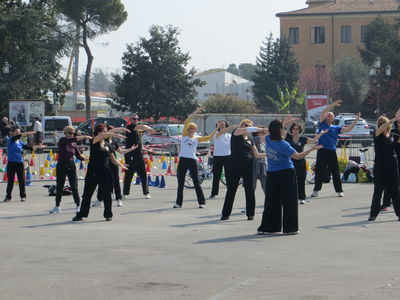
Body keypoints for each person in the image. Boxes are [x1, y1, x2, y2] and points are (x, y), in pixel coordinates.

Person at [257, 118, 322, 235]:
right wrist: (312, 149)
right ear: (279, 130)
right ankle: (290, 228)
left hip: (272, 174)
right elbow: (297, 156)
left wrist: (283, 123)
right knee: (289, 201)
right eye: (283, 128)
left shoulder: (267, 139)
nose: (285, 130)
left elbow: (271, 130)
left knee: (271, 201)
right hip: (286, 173)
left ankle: (269, 228)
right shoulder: (284, 144)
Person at [72, 124, 128, 222]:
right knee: (87, 195)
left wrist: (120, 164)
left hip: (105, 172)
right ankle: (81, 214)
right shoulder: (94, 140)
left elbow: (112, 158)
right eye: (105, 131)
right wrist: (116, 131)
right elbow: (101, 136)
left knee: (107, 194)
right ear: (98, 132)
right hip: (93, 172)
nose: (107, 133)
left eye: (107, 131)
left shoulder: (107, 145)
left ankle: (108, 214)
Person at [311, 100, 360, 198]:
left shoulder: (336, 127)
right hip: (321, 150)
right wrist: (333, 105)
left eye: (331, 115)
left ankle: (339, 191)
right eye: (328, 115)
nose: (329, 116)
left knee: (335, 172)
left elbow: (348, 129)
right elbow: (324, 111)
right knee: (319, 171)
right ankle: (316, 190)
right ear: (325, 117)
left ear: (333, 118)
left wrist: (356, 120)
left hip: (332, 151)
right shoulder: (322, 124)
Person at [220, 119, 268, 221]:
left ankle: (250, 214)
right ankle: (225, 214)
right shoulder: (236, 132)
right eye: (244, 125)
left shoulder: (250, 139)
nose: (246, 127)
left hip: (248, 165)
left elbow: (257, 154)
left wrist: (270, 154)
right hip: (235, 165)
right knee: (231, 190)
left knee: (249, 190)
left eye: (248, 125)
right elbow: (248, 129)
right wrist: (263, 129)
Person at [174, 114, 218, 208]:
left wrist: (217, 128)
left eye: (193, 129)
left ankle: (201, 202)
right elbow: (186, 121)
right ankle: (178, 203)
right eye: (190, 128)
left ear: (195, 130)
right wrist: (196, 112)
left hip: (192, 160)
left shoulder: (197, 139)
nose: (191, 130)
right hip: (183, 160)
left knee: (196, 182)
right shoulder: (184, 136)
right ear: (187, 129)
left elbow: (209, 137)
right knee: (180, 182)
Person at [91, 124, 138, 207]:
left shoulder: (113, 141)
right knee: (103, 183)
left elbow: (121, 151)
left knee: (116, 182)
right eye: (108, 132)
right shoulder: (103, 139)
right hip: (105, 164)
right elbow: (108, 133)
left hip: (114, 163)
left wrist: (131, 149)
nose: (108, 133)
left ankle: (118, 199)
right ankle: (99, 199)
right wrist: (120, 129)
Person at [49, 126, 92, 214]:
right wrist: (84, 136)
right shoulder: (62, 140)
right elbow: (72, 140)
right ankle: (57, 206)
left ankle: (78, 205)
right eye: (71, 133)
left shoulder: (74, 144)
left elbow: (78, 155)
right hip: (61, 165)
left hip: (71, 165)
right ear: (66, 133)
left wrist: (85, 159)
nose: (72, 135)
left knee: (74, 186)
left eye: (73, 133)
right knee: (60, 186)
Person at [368, 115, 400, 222]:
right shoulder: (377, 134)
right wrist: (392, 120)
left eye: (384, 122)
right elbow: (380, 129)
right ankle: (373, 214)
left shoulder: (392, 135)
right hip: (380, 167)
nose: (382, 124)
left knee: (395, 192)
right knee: (378, 191)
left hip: (392, 166)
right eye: (380, 123)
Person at [286, 123, 327, 204]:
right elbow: (281, 130)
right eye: (294, 128)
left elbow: (313, 141)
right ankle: (290, 197)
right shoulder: (288, 137)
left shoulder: (302, 139)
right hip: (289, 162)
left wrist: (321, 133)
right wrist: (285, 122)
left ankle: (301, 198)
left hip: (301, 161)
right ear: (291, 130)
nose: (295, 130)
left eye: (297, 129)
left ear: (299, 130)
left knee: (301, 180)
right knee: (290, 181)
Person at [3, 128, 45, 202]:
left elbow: (29, 148)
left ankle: (23, 196)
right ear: (13, 134)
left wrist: (38, 146)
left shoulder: (20, 142)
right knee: (10, 181)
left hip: (19, 163)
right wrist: (29, 133)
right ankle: (8, 196)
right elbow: (17, 136)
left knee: (21, 180)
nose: (17, 134)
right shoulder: (11, 140)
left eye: (18, 133)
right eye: (16, 132)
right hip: (11, 163)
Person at [122, 114, 154, 199]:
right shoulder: (129, 127)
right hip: (130, 156)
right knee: (129, 175)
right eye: (134, 119)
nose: (135, 120)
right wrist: (150, 129)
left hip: (139, 155)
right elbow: (142, 126)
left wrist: (145, 149)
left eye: (137, 119)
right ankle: (125, 193)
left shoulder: (137, 131)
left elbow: (138, 143)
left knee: (143, 175)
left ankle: (146, 193)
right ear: (130, 119)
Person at [210, 120, 238, 198]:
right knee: (216, 175)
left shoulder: (229, 135)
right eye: (221, 125)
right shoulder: (216, 133)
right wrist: (230, 127)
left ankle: (230, 192)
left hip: (228, 156)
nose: (222, 126)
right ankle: (214, 193)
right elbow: (220, 133)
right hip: (218, 157)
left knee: (228, 175)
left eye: (224, 124)